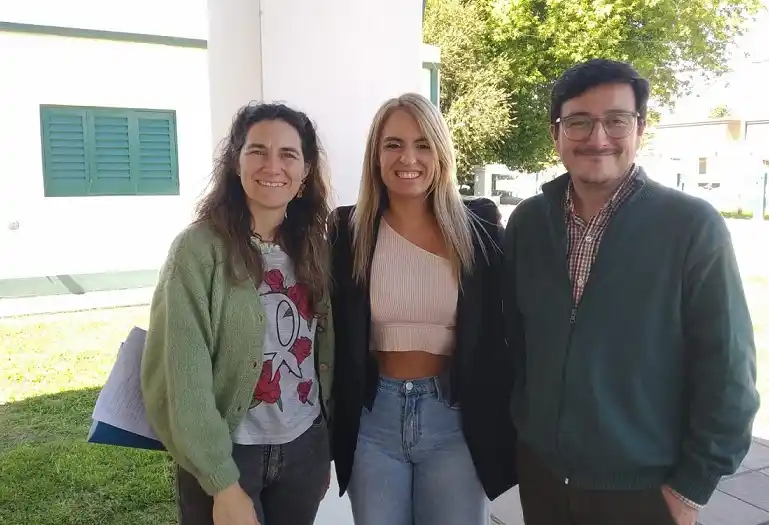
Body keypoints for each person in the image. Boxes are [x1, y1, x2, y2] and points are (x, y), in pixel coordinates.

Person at [503, 58, 760, 525]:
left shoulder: (690, 226)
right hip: (542, 478)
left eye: (616, 120)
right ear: (555, 133)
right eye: (578, 122)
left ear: (639, 128)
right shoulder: (529, 223)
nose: (598, 138)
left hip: (643, 492)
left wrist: (690, 489)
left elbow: (728, 373)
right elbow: (516, 345)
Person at [141, 102, 335, 525]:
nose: (273, 165)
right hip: (229, 457)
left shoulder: (315, 247)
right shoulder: (196, 252)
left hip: (304, 448)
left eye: (288, 154)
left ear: (305, 173)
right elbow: (183, 379)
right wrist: (222, 484)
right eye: (257, 150)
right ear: (236, 162)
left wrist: (322, 452)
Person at [329, 92, 517, 525]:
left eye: (423, 144)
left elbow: (511, 320)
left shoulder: (479, 227)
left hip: (454, 419)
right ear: (376, 155)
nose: (407, 157)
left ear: (440, 152)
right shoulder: (347, 230)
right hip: (372, 421)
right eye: (393, 144)